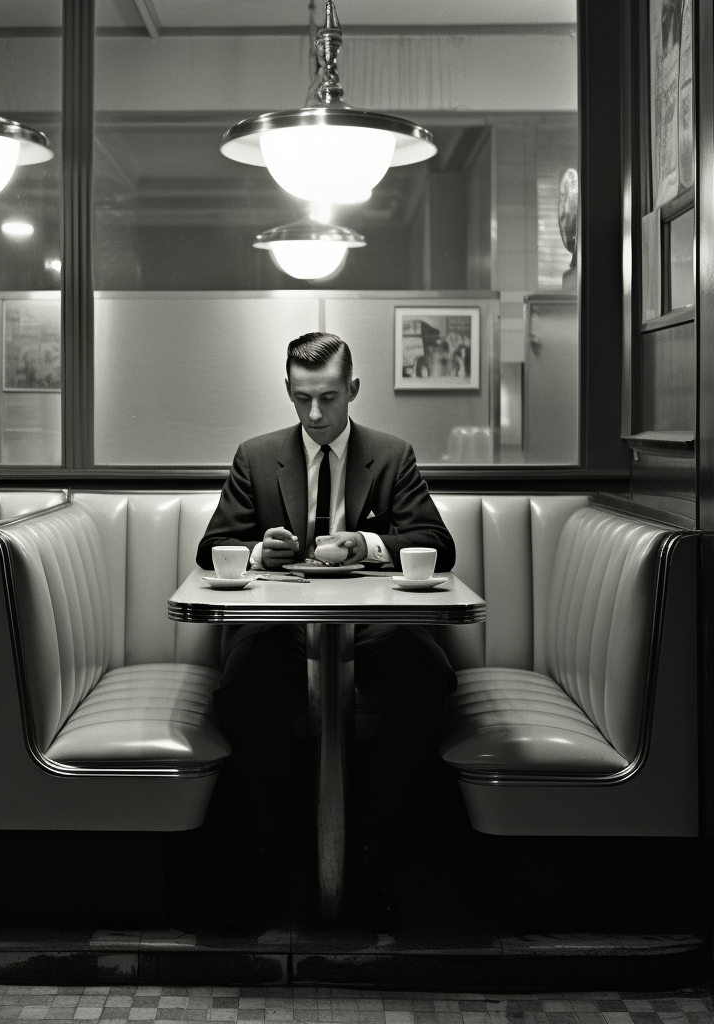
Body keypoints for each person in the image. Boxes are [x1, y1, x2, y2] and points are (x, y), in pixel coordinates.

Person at [196, 332, 457, 931]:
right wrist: (262, 550)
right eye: (302, 398)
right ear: (288, 391)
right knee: (242, 686)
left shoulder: (391, 455)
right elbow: (212, 548)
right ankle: (269, 845)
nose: (315, 414)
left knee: (425, 679)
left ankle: (370, 846)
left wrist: (364, 545)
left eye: (330, 398)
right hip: (282, 623)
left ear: (353, 392)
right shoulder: (256, 457)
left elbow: (440, 547)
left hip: (373, 625)